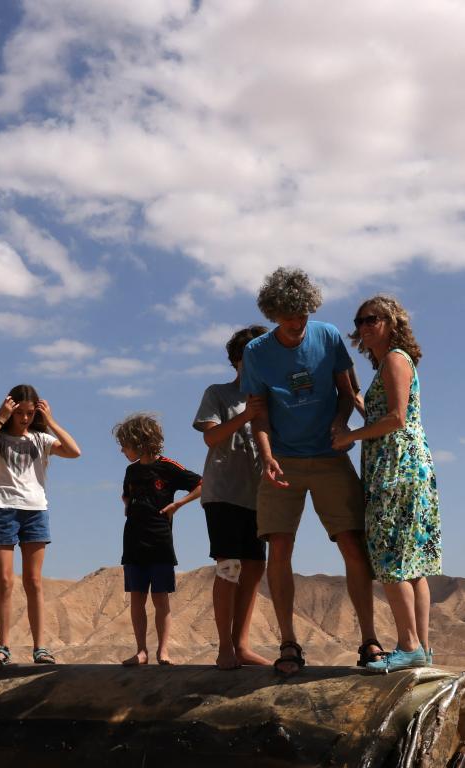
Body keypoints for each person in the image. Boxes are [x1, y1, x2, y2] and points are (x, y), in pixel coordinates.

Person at [240, 266, 381, 676]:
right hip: (281, 460)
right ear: (273, 316)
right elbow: (258, 412)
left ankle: (369, 638)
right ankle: (288, 643)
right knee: (279, 549)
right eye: (288, 318)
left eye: (302, 314)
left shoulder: (328, 336)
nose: (297, 323)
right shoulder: (257, 353)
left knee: (354, 546)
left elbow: (346, 391)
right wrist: (265, 454)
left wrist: (342, 424)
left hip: (329, 457)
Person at [333, 294, 442, 671]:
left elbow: (396, 418)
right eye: (360, 321)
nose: (364, 327)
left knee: (391, 555)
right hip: (406, 466)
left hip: (396, 466)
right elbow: (387, 411)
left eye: (372, 319)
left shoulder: (395, 359)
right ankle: (421, 649)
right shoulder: (390, 364)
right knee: (411, 562)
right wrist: (355, 399)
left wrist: (350, 437)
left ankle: (409, 645)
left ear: (392, 322)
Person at [0, 384, 81, 668]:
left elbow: (74, 451)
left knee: (33, 582)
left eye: (29, 413)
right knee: (5, 581)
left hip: (35, 511)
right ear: (10, 411)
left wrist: (52, 421)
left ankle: (40, 648)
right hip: (3, 510)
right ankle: (3, 646)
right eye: (19, 412)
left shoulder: (42, 439)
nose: (24, 418)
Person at [194, 326, 273, 670]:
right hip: (224, 493)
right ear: (238, 360)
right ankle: (224, 647)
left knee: (255, 568)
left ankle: (242, 644)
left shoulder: (271, 398)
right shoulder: (219, 393)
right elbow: (211, 438)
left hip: (260, 496)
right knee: (230, 567)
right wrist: (246, 415)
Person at [113, 413, 202, 666]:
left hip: (160, 540)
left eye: (125, 444)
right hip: (133, 541)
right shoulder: (130, 471)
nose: (122, 450)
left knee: (160, 598)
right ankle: (141, 651)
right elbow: (126, 497)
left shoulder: (168, 467)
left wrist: (179, 504)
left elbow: (201, 484)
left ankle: (164, 652)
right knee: (137, 598)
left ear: (139, 441)